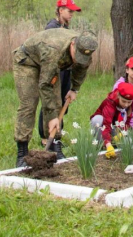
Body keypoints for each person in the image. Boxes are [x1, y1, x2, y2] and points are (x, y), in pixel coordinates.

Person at [13, 29, 97, 167]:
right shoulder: (53, 50)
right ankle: (22, 153)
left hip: (51, 67)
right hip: (27, 62)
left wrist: (74, 89)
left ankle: (54, 146)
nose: (78, 59)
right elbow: (45, 85)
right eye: (77, 55)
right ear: (73, 44)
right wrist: (52, 117)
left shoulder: (85, 48)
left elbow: (81, 68)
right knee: (29, 104)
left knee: (57, 103)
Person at [38, 0, 82, 144]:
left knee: (63, 102)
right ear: (60, 10)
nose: (71, 14)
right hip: (55, 71)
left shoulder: (66, 28)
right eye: (69, 11)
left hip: (66, 70)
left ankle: (56, 135)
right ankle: (46, 137)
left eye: (73, 12)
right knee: (51, 102)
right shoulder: (52, 28)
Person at [89, 82, 133, 159]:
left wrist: (123, 132)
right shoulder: (110, 102)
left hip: (114, 125)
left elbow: (128, 120)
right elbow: (106, 125)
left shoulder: (129, 102)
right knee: (98, 119)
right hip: (102, 125)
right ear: (118, 96)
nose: (126, 105)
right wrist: (108, 144)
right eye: (123, 101)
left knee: (129, 141)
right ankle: (99, 146)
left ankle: (112, 143)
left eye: (129, 102)